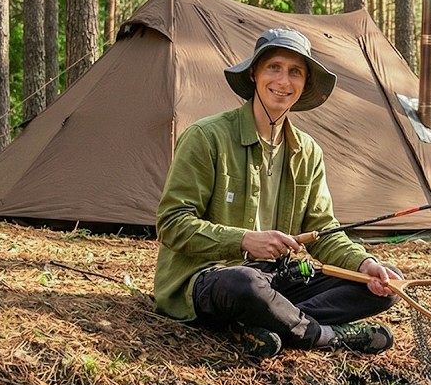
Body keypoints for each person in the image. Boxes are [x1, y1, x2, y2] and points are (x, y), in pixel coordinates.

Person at [155, 27, 400, 357]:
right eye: (274, 68)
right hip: (211, 279)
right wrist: (243, 240)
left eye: (295, 72)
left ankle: (262, 325)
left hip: (277, 280)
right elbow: (172, 224)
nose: (284, 82)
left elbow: (325, 233)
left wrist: (364, 263)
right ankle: (325, 335)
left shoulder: (308, 151)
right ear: (254, 73)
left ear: (304, 84)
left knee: (387, 286)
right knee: (243, 284)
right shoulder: (206, 137)